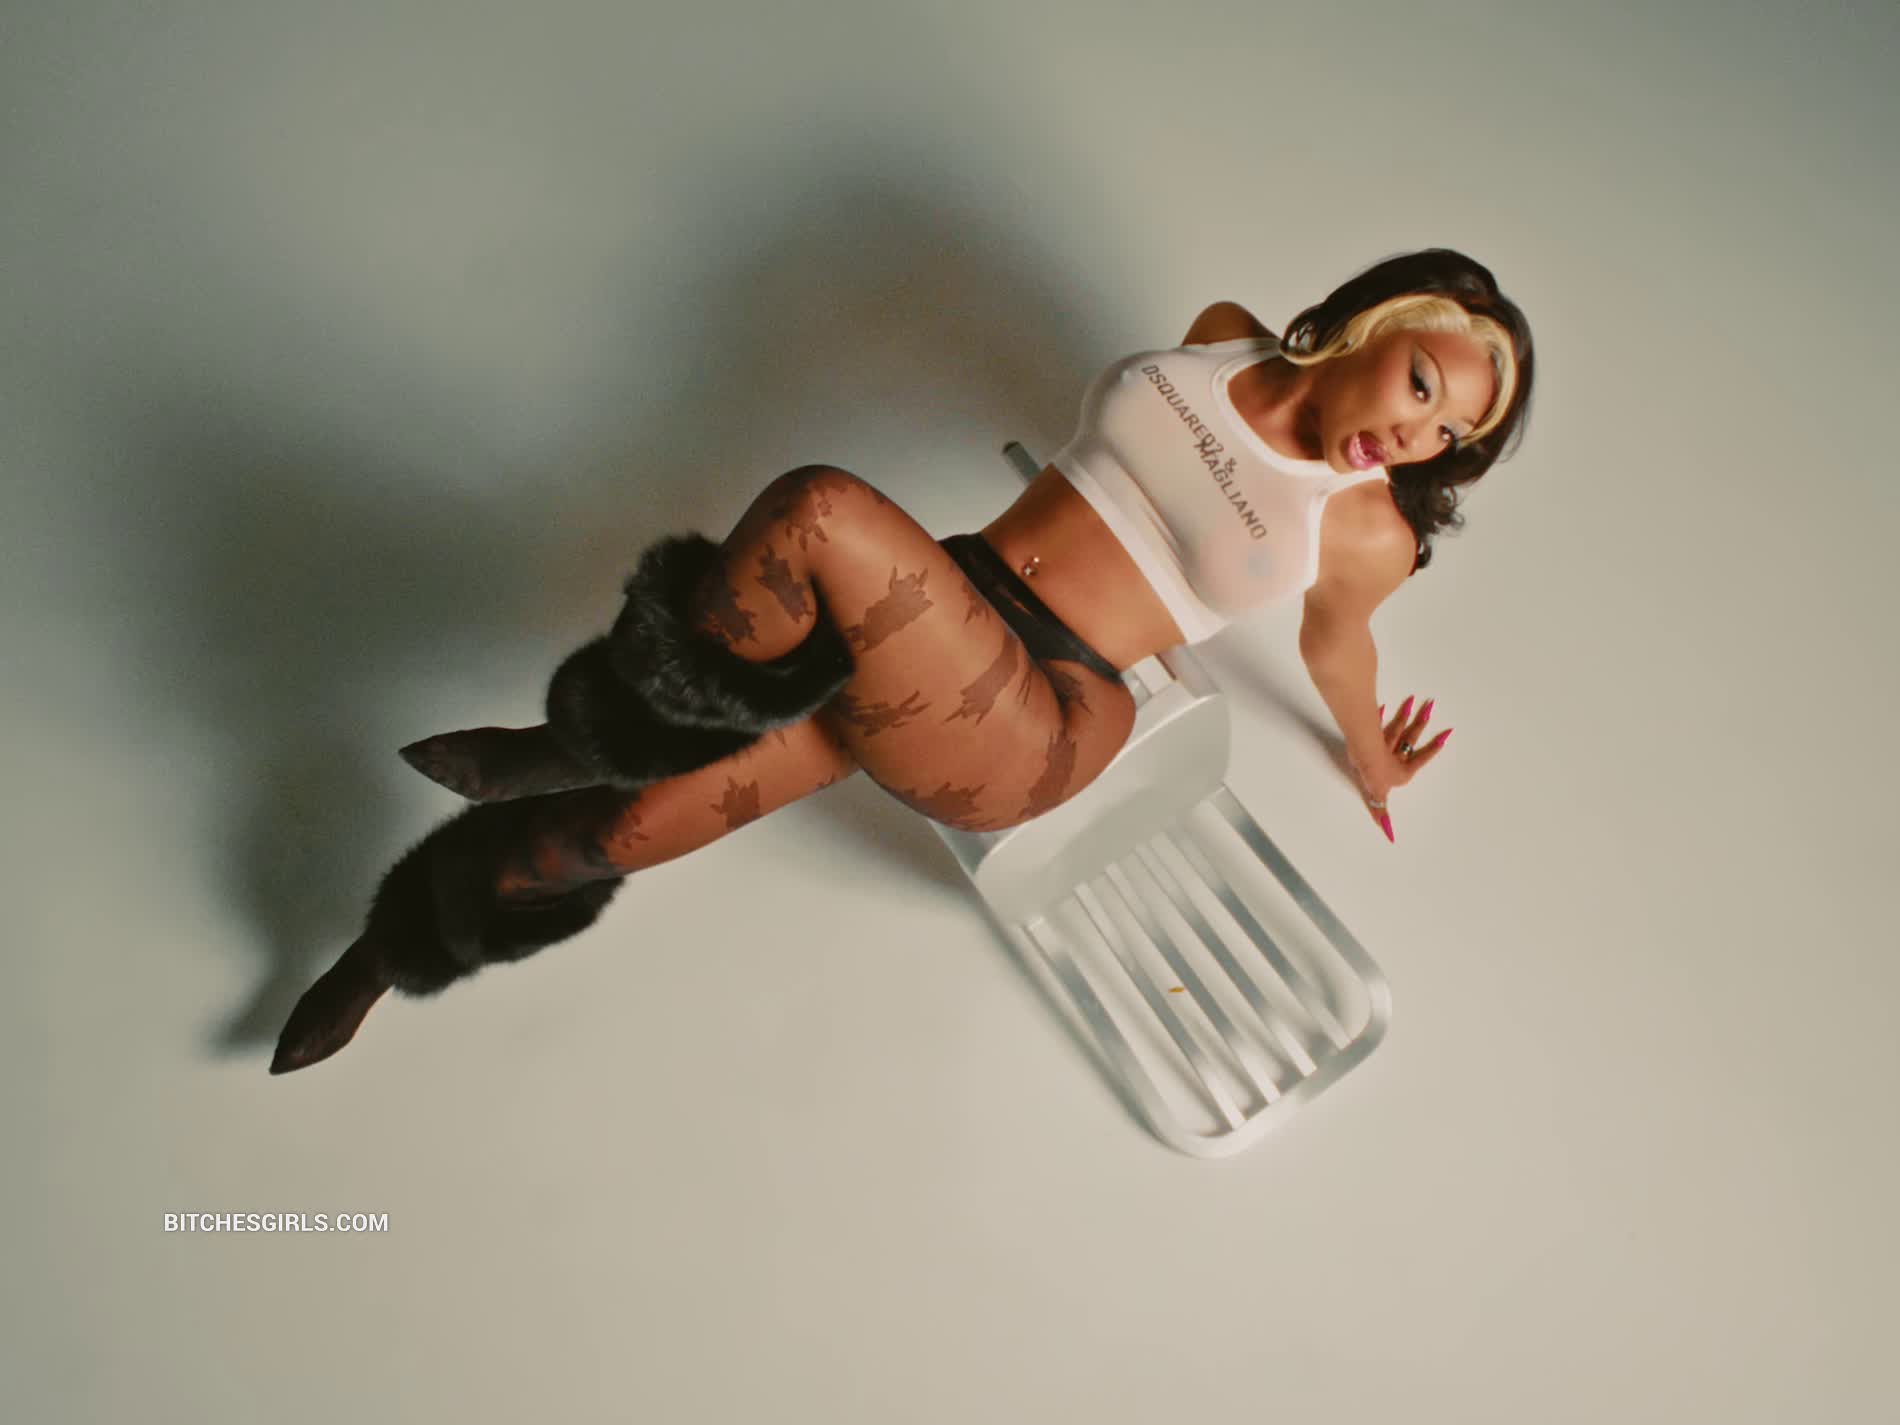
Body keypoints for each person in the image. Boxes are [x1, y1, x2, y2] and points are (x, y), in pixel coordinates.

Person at [269, 246, 1534, 1075]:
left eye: (1449, 432)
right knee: (612, 832)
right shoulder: (1221, 339)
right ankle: (386, 954)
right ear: (1374, 324)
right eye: (1422, 382)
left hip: (1036, 719)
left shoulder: (1361, 530)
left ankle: (569, 739)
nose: (1415, 432)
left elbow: (1335, 646)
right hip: (939, 606)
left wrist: (1370, 760)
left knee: (821, 511)